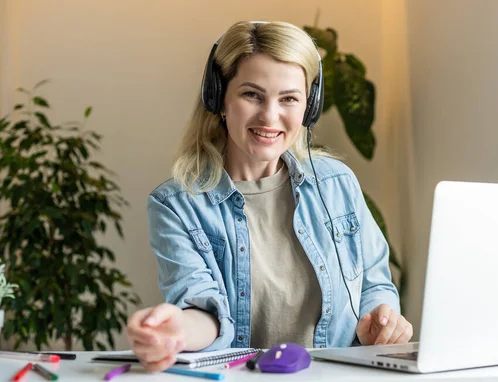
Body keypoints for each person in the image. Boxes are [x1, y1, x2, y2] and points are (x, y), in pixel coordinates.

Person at [126, 20, 413, 372]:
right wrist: (175, 330)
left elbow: (375, 281)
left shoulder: (336, 184)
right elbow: (204, 311)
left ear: (308, 107)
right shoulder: (178, 206)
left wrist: (382, 321)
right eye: (252, 95)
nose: (270, 116)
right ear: (218, 99)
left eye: (289, 98)